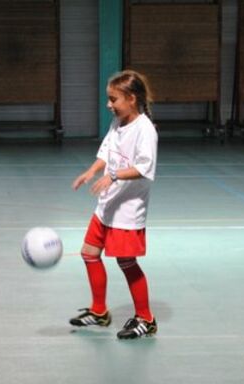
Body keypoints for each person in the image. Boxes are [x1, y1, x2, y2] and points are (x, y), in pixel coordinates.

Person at [69, 69, 158, 339]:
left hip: (127, 210)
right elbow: (107, 152)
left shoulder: (145, 129)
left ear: (131, 98)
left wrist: (114, 175)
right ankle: (99, 311)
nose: (109, 104)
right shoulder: (118, 122)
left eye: (113, 99)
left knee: (126, 262)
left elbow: (144, 167)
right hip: (107, 205)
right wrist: (92, 171)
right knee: (89, 253)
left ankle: (147, 318)